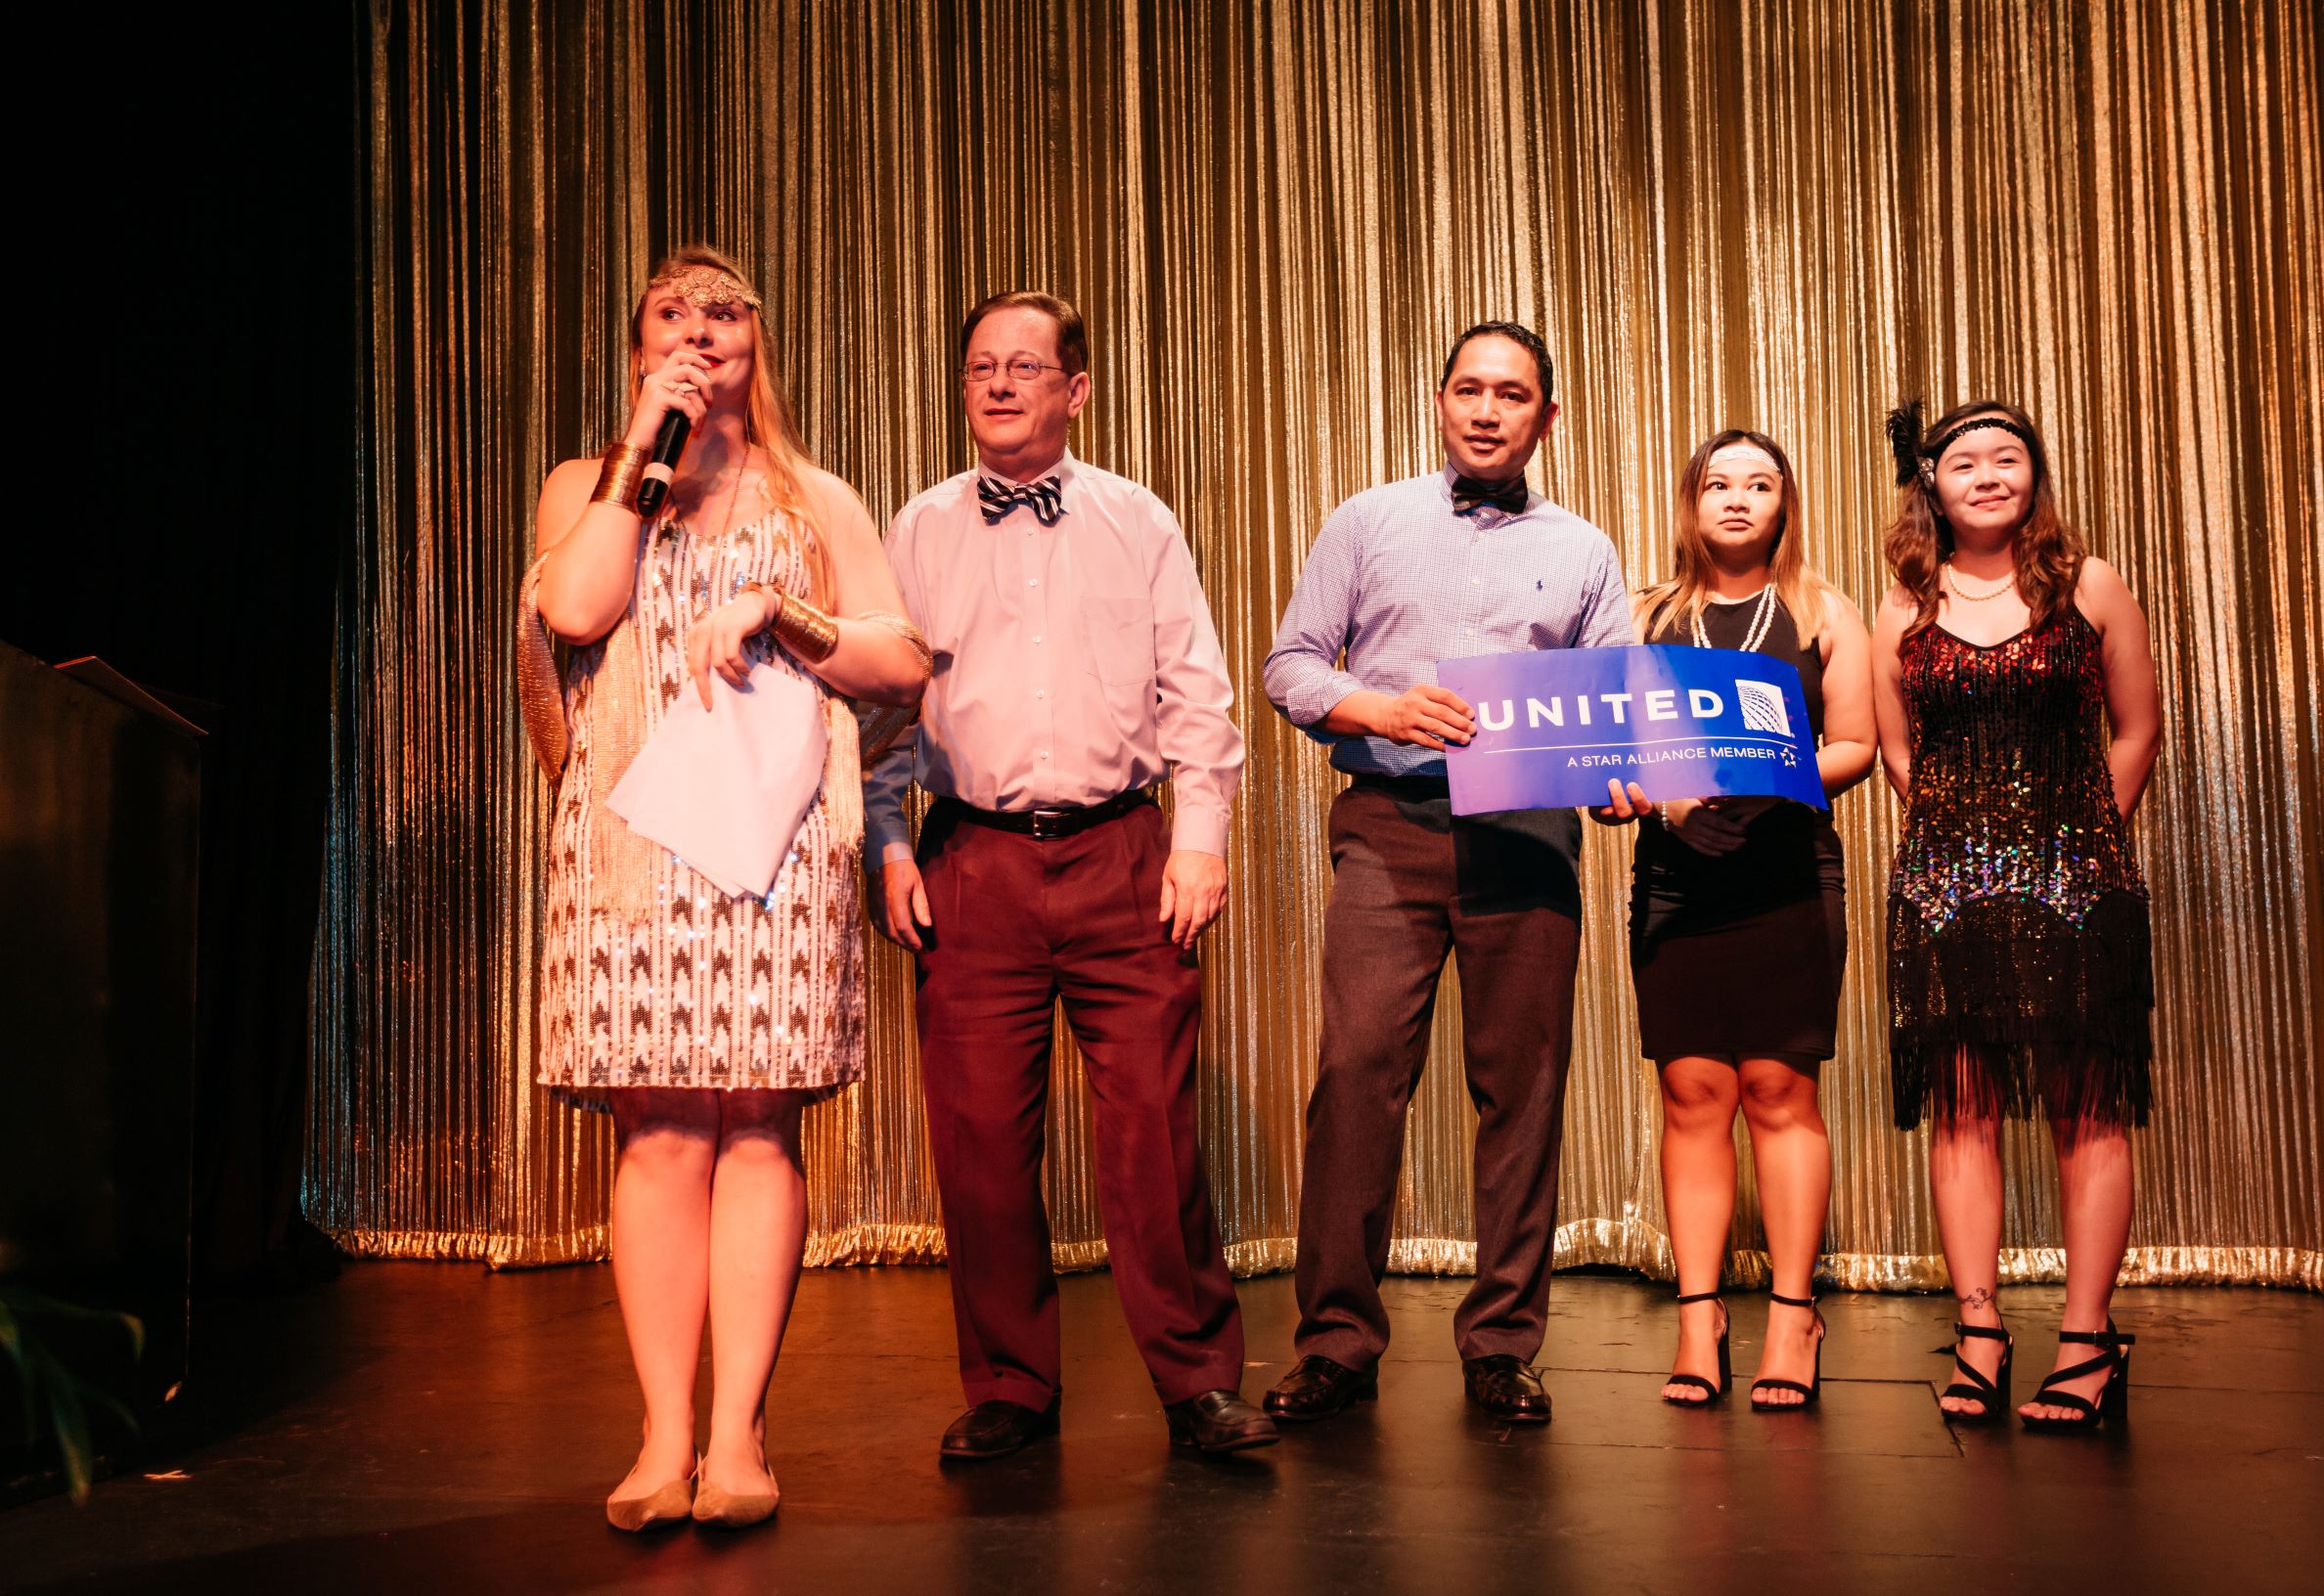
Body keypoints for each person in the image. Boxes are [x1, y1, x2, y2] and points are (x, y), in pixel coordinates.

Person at [518, 245, 929, 1530]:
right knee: (657, 1128)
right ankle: (661, 1436)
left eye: (724, 312)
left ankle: (740, 1432)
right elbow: (577, 610)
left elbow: (901, 661)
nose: (699, 332)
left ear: (761, 339)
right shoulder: (586, 483)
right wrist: (643, 447)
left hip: (773, 840)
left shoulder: (817, 496)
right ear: (638, 345)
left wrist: (780, 610)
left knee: (756, 1122)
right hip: (634, 841)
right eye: (672, 314)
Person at [863, 290, 1273, 1460]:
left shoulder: (1136, 519)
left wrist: (1200, 836)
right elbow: (882, 708)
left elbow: (1195, 688)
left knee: (1153, 1133)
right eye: (980, 367)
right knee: (980, 1138)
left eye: (1024, 367)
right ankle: (1009, 1381)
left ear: (1076, 390)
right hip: (971, 856)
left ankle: (1195, 1379)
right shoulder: (918, 527)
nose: (998, 384)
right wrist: (887, 841)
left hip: (1122, 853)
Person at [1260, 321, 1631, 1425]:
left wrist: (1614, 779)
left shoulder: (1584, 550)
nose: (1484, 409)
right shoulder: (1366, 521)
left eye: (1509, 394)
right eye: (1467, 389)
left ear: (1545, 418)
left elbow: (1609, 710)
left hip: (1527, 833)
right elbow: (1288, 665)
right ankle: (1335, 1342)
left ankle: (1501, 1344)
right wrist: (1375, 707)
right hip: (1391, 823)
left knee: (1522, 1089)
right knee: (1356, 1075)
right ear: (1437, 401)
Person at [1870, 399, 2161, 1431]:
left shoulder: (2090, 585)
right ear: (1933, 485)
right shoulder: (1901, 607)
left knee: (2087, 1108)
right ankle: (1979, 1334)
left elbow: (2136, 727)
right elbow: (1899, 754)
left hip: (2078, 886)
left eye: (2008, 458)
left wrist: (2078, 842)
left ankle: (2085, 1343)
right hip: (1947, 891)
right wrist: (1966, 848)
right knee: (1963, 1109)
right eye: (1965, 462)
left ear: (2033, 475)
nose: (1988, 475)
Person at [1589, 431, 1876, 1410]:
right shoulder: (1641, 617)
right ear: (1691, 501)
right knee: (1692, 1093)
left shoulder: (1823, 610)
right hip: (1678, 880)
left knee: (1779, 1089)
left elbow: (1855, 744)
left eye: (1760, 483)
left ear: (1785, 502)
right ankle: (1698, 1317)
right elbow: (1607, 754)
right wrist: (1658, 800)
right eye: (1719, 483)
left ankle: (1793, 1317)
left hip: (1788, 876)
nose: (1738, 499)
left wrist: (1767, 778)